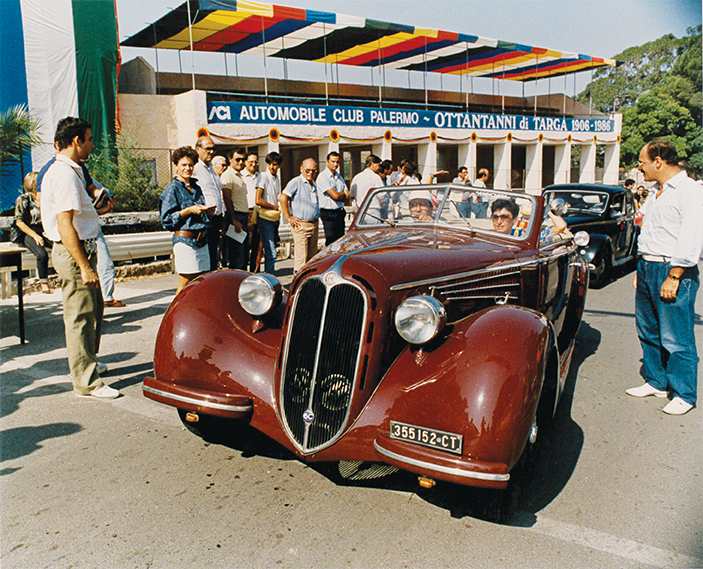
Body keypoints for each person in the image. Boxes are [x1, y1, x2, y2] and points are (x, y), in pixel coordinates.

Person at [40, 117, 119, 399]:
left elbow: (81, 214)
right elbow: (64, 224)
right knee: (80, 317)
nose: (92, 144)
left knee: (94, 311)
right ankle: (86, 382)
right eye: (89, 139)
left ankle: (89, 363)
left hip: (84, 247)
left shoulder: (74, 171)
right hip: (75, 252)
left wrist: (100, 211)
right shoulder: (62, 174)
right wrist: (84, 266)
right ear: (76, 142)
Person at [626, 140, 703, 415]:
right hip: (649, 267)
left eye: (642, 162)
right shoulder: (656, 192)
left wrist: (675, 275)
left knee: (676, 337)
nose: (639, 167)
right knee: (648, 329)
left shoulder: (689, 190)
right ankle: (657, 381)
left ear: (658, 161)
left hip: (672, 269)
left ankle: (684, 393)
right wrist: (641, 267)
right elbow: (650, 232)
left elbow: (691, 235)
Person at [160, 146, 215, 295]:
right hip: (185, 241)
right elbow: (167, 220)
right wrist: (188, 211)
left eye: (190, 165)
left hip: (202, 241)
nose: (187, 168)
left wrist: (207, 212)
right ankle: (175, 315)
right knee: (185, 283)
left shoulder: (196, 187)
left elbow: (198, 212)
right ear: (176, 166)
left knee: (201, 282)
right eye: (184, 165)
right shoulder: (172, 189)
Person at [13, 172, 51, 293]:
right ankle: (43, 281)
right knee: (41, 254)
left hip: (45, 229)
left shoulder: (45, 197)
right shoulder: (24, 199)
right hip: (29, 231)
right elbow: (19, 222)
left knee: (62, 247)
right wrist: (34, 235)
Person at [280, 158, 320, 273]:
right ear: (301, 169)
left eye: (313, 171)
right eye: (307, 170)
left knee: (312, 259)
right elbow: (283, 197)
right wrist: (288, 217)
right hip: (301, 224)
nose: (310, 173)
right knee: (301, 259)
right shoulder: (296, 182)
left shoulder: (313, 183)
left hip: (313, 223)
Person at [193, 136, 225, 271]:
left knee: (214, 255)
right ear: (198, 149)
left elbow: (217, 193)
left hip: (216, 218)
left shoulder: (212, 169)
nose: (211, 152)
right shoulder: (195, 169)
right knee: (204, 256)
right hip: (204, 218)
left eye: (213, 149)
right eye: (208, 149)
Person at [220, 147, 249, 270]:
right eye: (237, 159)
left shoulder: (239, 176)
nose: (241, 162)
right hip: (235, 217)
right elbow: (227, 198)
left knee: (243, 256)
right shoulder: (228, 175)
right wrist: (234, 220)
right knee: (237, 257)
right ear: (230, 159)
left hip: (242, 216)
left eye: (243, 160)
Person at [256, 152, 282, 275]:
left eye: (275, 165)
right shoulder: (263, 176)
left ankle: (269, 275)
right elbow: (258, 199)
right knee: (271, 251)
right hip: (265, 217)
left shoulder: (277, 178)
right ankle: (270, 277)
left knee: (271, 250)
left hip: (274, 217)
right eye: (270, 164)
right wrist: (273, 206)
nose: (272, 167)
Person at [317, 151, 350, 246]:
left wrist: (341, 195)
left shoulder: (339, 177)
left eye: (337, 162)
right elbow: (335, 196)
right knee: (331, 241)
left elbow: (348, 196)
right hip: (329, 213)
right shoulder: (323, 177)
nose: (335, 164)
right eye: (333, 161)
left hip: (339, 211)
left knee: (341, 241)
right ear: (327, 161)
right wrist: (342, 194)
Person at [242, 152, 263, 272]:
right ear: (246, 162)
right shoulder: (241, 176)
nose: (253, 164)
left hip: (259, 212)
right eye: (251, 162)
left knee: (258, 245)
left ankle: (255, 272)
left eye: (256, 162)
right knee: (246, 244)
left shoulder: (260, 177)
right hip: (246, 212)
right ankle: (244, 273)